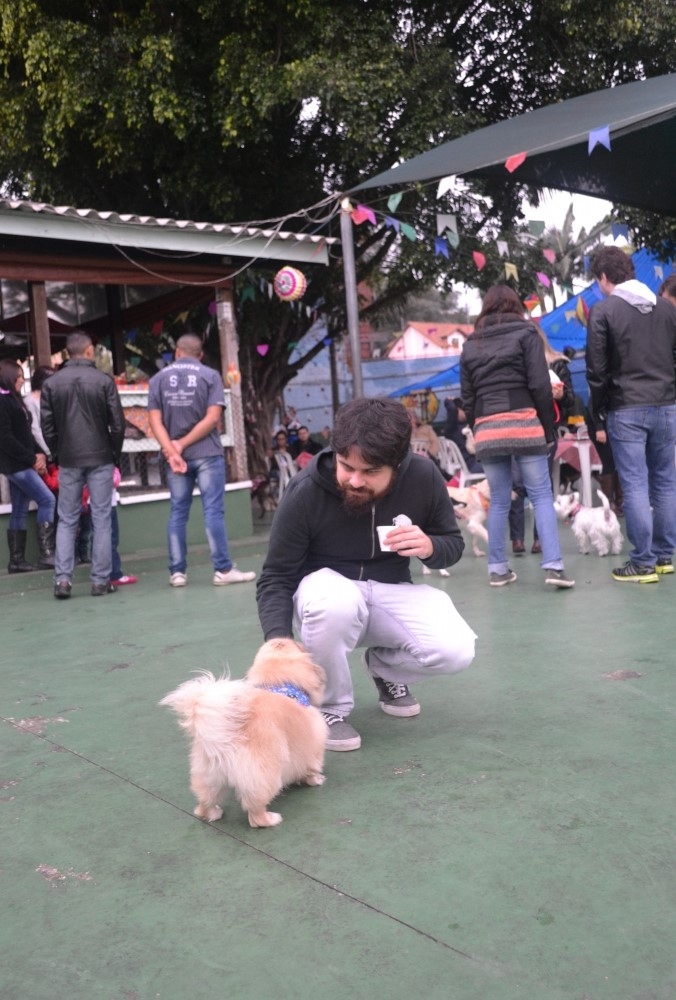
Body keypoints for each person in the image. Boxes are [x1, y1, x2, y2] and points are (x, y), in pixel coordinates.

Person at [256, 396, 477, 752]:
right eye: (346, 466)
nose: (355, 480)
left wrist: (430, 546)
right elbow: (276, 577)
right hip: (327, 596)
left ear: (398, 464)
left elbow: (451, 545)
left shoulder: (422, 476)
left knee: (457, 649)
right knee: (336, 603)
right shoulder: (306, 490)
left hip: (391, 593)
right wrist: (279, 643)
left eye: (370, 472)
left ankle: (384, 668)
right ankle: (326, 708)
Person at [460, 284, 574, 589]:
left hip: (487, 423)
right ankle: (554, 567)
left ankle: (498, 569)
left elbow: (467, 397)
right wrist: (548, 425)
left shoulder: (470, 344)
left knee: (498, 498)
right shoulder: (527, 334)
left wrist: (479, 426)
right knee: (540, 495)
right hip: (524, 419)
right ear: (516, 307)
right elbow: (539, 384)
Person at [586, 246, 676, 583]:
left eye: (599, 282)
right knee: (666, 481)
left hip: (626, 407)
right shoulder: (667, 310)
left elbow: (596, 370)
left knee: (636, 484)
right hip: (667, 405)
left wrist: (599, 412)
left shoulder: (603, 311)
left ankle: (642, 562)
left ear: (606, 278)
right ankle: (665, 556)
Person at [147, 332, 255, 588]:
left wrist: (173, 451)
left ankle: (177, 573)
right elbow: (212, 418)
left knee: (178, 512)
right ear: (201, 355)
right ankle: (223, 569)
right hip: (207, 453)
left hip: (176, 459)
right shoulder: (210, 376)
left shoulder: (157, 379)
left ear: (176, 352)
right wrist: (182, 445)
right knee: (213, 511)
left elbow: (154, 420)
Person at [41, 331, 125, 598]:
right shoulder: (104, 380)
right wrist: (114, 453)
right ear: (89, 351)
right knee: (101, 518)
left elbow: (48, 426)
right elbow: (117, 424)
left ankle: (63, 581)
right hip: (100, 456)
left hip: (68, 459)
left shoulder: (52, 384)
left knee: (66, 519)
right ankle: (100, 581)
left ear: (67, 353)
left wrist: (57, 453)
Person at [510, 326, 574, 555]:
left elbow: (570, 399)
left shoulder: (557, 363)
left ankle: (540, 540)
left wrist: (562, 394)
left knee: (540, 487)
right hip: (519, 429)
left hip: (545, 430)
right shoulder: (516, 366)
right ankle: (517, 538)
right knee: (518, 486)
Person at [0, 359, 56, 573]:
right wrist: (32, 459)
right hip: (16, 464)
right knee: (47, 500)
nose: (23, 380)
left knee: (20, 509)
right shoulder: (3, 401)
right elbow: (5, 438)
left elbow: (25, 433)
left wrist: (39, 454)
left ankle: (17, 561)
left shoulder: (15, 400)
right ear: (9, 377)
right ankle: (46, 554)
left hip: (23, 461)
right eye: (19, 376)